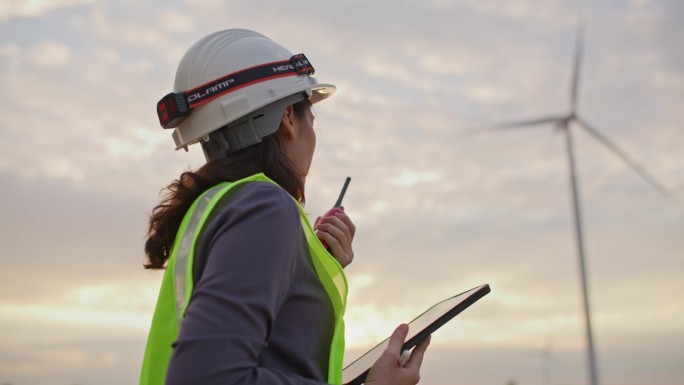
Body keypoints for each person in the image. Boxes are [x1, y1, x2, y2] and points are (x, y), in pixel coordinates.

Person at [139, 29, 430, 385]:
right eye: (311, 118)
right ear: (289, 118)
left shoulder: (220, 208)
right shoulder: (263, 208)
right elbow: (207, 377)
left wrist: (306, 268)